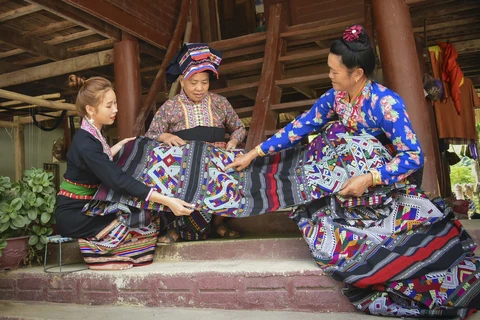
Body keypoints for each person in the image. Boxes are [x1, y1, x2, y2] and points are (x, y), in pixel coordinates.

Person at [223, 25, 479, 318]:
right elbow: (301, 126)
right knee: (329, 135)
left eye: (335, 71)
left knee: (341, 138)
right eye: (329, 69)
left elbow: (413, 157)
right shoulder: (335, 98)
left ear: (357, 73)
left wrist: (369, 178)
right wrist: (254, 153)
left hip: (384, 182)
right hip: (349, 178)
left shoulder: (386, 103)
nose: (329, 75)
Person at [55, 75, 194, 270]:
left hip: (89, 205)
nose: (116, 110)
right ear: (90, 109)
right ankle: (97, 257)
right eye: (109, 105)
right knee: (137, 224)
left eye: (116, 103)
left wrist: (118, 147)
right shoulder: (85, 143)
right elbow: (117, 180)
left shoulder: (93, 133)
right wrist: (167, 200)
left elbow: (96, 162)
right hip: (76, 214)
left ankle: (107, 252)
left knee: (147, 220)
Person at [145, 43, 246, 244]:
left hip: (218, 163)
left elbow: (239, 128)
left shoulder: (220, 102)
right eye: (193, 82)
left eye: (205, 82)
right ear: (182, 81)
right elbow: (150, 135)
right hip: (185, 167)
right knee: (187, 179)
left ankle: (216, 224)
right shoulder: (170, 106)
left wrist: (234, 140)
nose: (199, 88)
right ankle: (181, 230)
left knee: (237, 173)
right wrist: (165, 137)